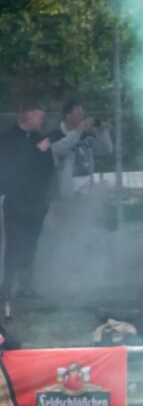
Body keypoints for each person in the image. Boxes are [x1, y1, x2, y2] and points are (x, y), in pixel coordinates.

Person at [0, 102, 57, 307]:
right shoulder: (7, 138)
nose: (42, 120)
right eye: (39, 117)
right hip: (16, 200)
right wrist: (35, 151)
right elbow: (11, 166)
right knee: (14, 244)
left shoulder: (39, 139)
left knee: (31, 244)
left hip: (38, 201)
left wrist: (49, 196)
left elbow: (49, 168)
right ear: (27, 117)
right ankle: (6, 287)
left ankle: (25, 285)